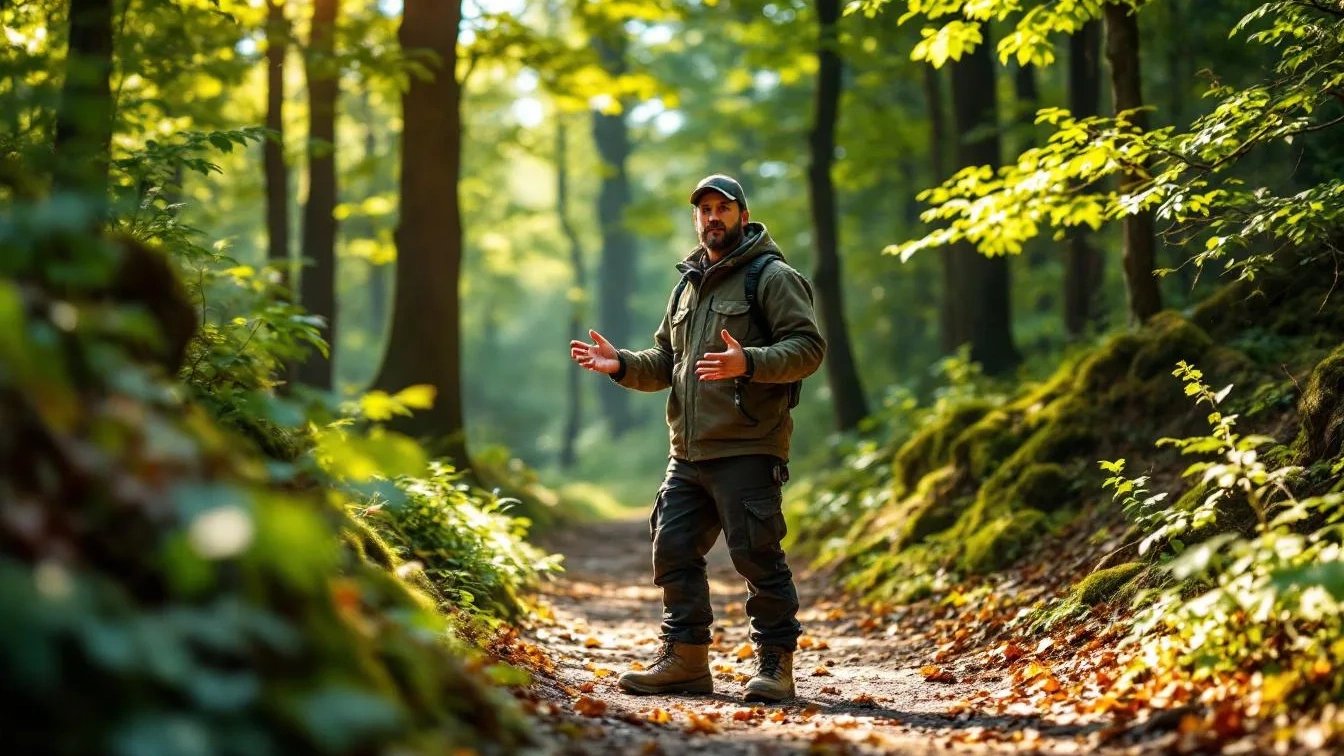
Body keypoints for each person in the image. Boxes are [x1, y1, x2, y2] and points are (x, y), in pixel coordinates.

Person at [569, 174, 826, 703]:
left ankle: (775, 665)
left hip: (747, 445)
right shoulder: (687, 285)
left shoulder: (771, 277)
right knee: (673, 548)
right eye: (704, 210)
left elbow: (807, 349)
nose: (712, 217)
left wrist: (748, 361)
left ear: (742, 216)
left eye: (722, 208)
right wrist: (621, 364)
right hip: (687, 451)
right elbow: (667, 360)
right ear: (696, 219)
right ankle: (685, 660)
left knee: (757, 556)